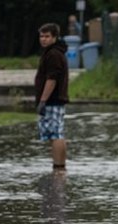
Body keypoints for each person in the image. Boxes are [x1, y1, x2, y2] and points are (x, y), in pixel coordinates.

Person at [34, 23, 69, 170]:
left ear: (55, 37)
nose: (43, 39)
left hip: (53, 100)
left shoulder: (53, 54)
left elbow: (52, 79)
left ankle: (59, 167)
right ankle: (58, 166)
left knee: (56, 134)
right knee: (54, 134)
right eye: (41, 36)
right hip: (53, 100)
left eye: (47, 36)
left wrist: (43, 100)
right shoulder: (52, 52)